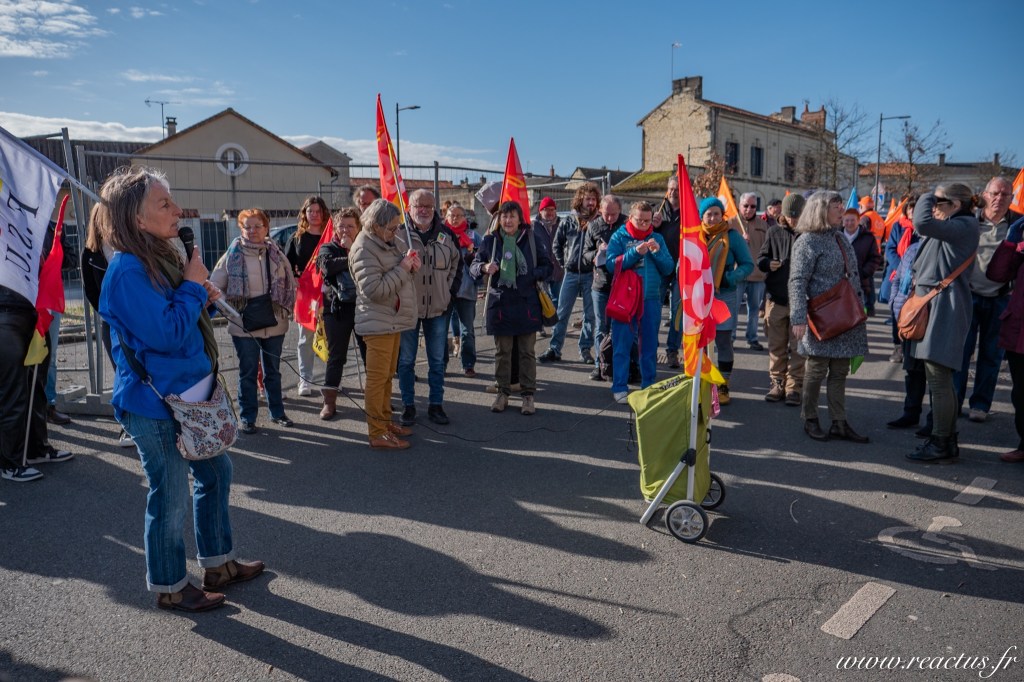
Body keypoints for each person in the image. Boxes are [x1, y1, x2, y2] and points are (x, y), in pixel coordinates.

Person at [98, 166, 263, 612]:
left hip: (188, 395)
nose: (177, 209)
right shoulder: (129, 271)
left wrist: (195, 294)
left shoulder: (159, 257)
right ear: (136, 217)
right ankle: (171, 585)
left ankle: (219, 562)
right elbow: (166, 334)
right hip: (155, 404)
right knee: (169, 493)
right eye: (164, 203)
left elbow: (177, 316)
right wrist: (192, 288)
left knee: (215, 474)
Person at [905, 184, 981, 463]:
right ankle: (946, 441)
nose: (934, 205)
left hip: (944, 308)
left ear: (956, 204)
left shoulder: (963, 225)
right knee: (940, 379)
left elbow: (922, 222)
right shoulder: (957, 223)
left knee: (939, 380)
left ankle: (940, 442)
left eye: (939, 201)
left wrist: (926, 192)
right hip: (938, 305)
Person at [789, 191, 870, 443]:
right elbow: (797, 281)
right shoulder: (807, 242)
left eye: (840, 205)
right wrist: (798, 316)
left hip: (845, 317)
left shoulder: (839, 238)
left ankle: (839, 422)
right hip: (822, 318)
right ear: (819, 209)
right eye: (835, 206)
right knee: (815, 370)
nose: (841, 210)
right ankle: (810, 418)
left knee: (839, 372)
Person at [210, 208, 297, 434]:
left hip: (274, 322)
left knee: (273, 372)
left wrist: (286, 307)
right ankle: (248, 417)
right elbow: (214, 287)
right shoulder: (232, 255)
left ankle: (277, 413)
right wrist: (232, 313)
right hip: (244, 325)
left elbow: (289, 284)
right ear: (241, 229)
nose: (253, 231)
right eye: (247, 227)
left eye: (257, 226)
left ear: (266, 228)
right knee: (247, 372)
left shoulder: (276, 252)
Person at [349, 199, 419, 449]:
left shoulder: (383, 242)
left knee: (387, 376)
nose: (395, 232)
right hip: (377, 323)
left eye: (397, 227)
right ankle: (376, 432)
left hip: (391, 320)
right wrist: (402, 269)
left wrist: (409, 268)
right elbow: (374, 290)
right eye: (391, 228)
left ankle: (385, 422)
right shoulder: (364, 248)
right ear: (376, 225)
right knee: (377, 380)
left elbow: (394, 277)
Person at [471, 201, 552, 415]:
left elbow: (548, 266)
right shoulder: (490, 241)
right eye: (504, 217)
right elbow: (473, 267)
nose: (508, 221)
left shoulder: (532, 239)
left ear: (520, 219)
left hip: (527, 303)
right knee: (502, 352)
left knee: (527, 352)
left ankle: (528, 396)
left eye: (512, 216)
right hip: (501, 305)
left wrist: (531, 275)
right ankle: (502, 393)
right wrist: (484, 267)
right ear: (499, 219)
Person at [953, 177, 1022, 423]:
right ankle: (953, 403)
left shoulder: (1018, 226)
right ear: (984, 195)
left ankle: (980, 405)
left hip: (1001, 298)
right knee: (961, 353)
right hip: (968, 296)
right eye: (994, 193)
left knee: (991, 356)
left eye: (1005, 194)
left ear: (1012, 198)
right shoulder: (969, 222)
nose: (999, 198)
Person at [396, 189, 462, 426]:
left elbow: (457, 265)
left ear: (434, 208)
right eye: (418, 206)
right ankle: (408, 406)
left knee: (436, 361)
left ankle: (436, 406)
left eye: (427, 205)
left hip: (438, 309)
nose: (423, 210)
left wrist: (449, 294)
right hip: (407, 310)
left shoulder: (446, 235)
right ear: (410, 208)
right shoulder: (398, 235)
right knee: (405, 362)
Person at [605, 201, 674, 403]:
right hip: (626, 300)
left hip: (651, 297)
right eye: (639, 220)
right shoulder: (619, 236)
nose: (643, 224)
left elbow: (669, 268)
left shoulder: (657, 237)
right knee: (622, 344)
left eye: (647, 220)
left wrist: (658, 252)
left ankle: (648, 386)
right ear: (630, 217)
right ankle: (619, 387)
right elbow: (611, 265)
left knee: (650, 346)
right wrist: (635, 252)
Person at [82, 202, 135, 448]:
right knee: (122, 374)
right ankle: (127, 426)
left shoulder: (132, 247)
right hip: (112, 324)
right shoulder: (91, 253)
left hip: (138, 320)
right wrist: (109, 314)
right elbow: (91, 291)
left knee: (143, 372)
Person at [699, 197, 754, 405]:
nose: (712, 218)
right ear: (702, 216)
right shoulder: (695, 236)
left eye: (716, 213)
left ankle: (723, 385)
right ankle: (704, 383)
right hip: (700, 297)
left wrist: (729, 277)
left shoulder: (732, 236)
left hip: (725, 294)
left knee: (722, 341)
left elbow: (748, 265)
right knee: (702, 342)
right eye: (708, 214)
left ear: (722, 214)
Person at [315, 207, 367, 420]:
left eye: (350, 226)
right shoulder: (328, 247)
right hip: (336, 309)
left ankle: (377, 398)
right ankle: (329, 401)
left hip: (364, 308)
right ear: (335, 227)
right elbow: (327, 267)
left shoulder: (365, 246)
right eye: (342, 226)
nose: (345, 230)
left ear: (358, 228)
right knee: (336, 357)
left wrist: (353, 249)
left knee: (369, 355)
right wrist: (353, 255)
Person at [540, 182, 599, 364]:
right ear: (580, 199)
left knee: (590, 315)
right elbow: (557, 244)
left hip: (591, 274)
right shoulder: (569, 221)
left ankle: (585, 349)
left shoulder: (599, 221)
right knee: (562, 312)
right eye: (588, 198)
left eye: (594, 199)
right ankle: (555, 349)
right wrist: (565, 263)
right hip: (571, 274)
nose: (590, 203)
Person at [757, 193, 806, 406]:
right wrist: (768, 264)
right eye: (789, 216)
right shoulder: (774, 232)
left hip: (801, 303)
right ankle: (777, 383)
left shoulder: (808, 233)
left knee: (798, 348)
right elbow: (761, 259)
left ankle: (793, 387)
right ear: (783, 214)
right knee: (776, 346)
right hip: (776, 299)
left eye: (797, 216)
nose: (793, 220)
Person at [985, 215, 1024, 462]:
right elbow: (997, 274)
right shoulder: (1021, 246)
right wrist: (1010, 242)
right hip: (1018, 331)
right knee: (1020, 393)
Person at [285, 196, 329, 396]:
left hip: (329, 292)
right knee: (306, 339)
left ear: (323, 213)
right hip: (307, 295)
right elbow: (287, 264)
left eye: (318, 211)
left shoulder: (330, 235)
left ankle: (331, 379)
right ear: (305, 213)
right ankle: (305, 380)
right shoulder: (297, 237)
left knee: (331, 337)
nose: (314, 215)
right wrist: (294, 278)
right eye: (310, 211)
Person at [582, 194, 627, 380]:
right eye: (606, 214)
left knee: (623, 327)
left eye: (614, 215)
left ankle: (622, 365)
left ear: (620, 212)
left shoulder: (627, 224)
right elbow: (584, 254)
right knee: (601, 327)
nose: (609, 218)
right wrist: (596, 254)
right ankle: (599, 366)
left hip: (623, 283)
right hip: (600, 284)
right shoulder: (593, 226)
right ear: (600, 210)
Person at [444, 202, 482, 378]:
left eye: (459, 215)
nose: (455, 218)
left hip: (466, 289)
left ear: (465, 218)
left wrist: (478, 280)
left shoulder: (474, 237)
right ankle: (441, 364)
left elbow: (483, 259)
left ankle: (468, 364)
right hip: (445, 289)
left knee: (467, 330)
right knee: (441, 329)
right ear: (446, 217)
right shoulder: (441, 235)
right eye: (452, 215)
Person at [881, 196, 919, 363]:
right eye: (909, 208)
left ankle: (910, 347)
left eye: (915, 208)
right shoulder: (898, 226)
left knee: (913, 313)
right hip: (897, 274)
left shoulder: (924, 229)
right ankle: (897, 347)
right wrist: (901, 267)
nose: (911, 211)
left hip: (916, 278)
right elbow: (890, 250)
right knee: (896, 313)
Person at [730, 192, 769, 351]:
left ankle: (752, 338)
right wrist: (739, 239)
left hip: (757, 274)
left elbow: (768, 248)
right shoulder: (731, 223)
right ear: (739, 205)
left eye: (753, 206)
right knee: (733, 308)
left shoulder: (763, 225)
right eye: (746, 205)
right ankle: (730, 338)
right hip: (737, 274)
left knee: (754, 310)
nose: (749, 209)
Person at [652, 176, 682, 368]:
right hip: (661, 267)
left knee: (676, 313)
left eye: (677, 190)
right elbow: (645, 233)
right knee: (654, 311)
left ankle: (672, 351)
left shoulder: (690, 213)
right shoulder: (658, 210)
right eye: (671, 189)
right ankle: (651, 348)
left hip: (681, 270)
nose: (673, 193)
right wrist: (652, 225)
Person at [841, 208, 881, 316]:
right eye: (847, 220)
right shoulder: (836, 235)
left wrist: (864, 273)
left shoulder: (868, 238)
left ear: (858, 221)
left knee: (858, 315)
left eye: (852, 220)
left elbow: (875, 258)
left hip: (861, 284)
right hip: (840, 283)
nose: (849, 223)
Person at [532, 196, 563, 323]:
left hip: (558, 269)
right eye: (546, 209)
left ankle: (555, 324)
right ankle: (541, 324)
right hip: (541, 268)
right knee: (542, 297)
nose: (550, 212)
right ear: (540, 211)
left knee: (557, 299)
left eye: (552, 209)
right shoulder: (534, 226)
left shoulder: (562, 224)